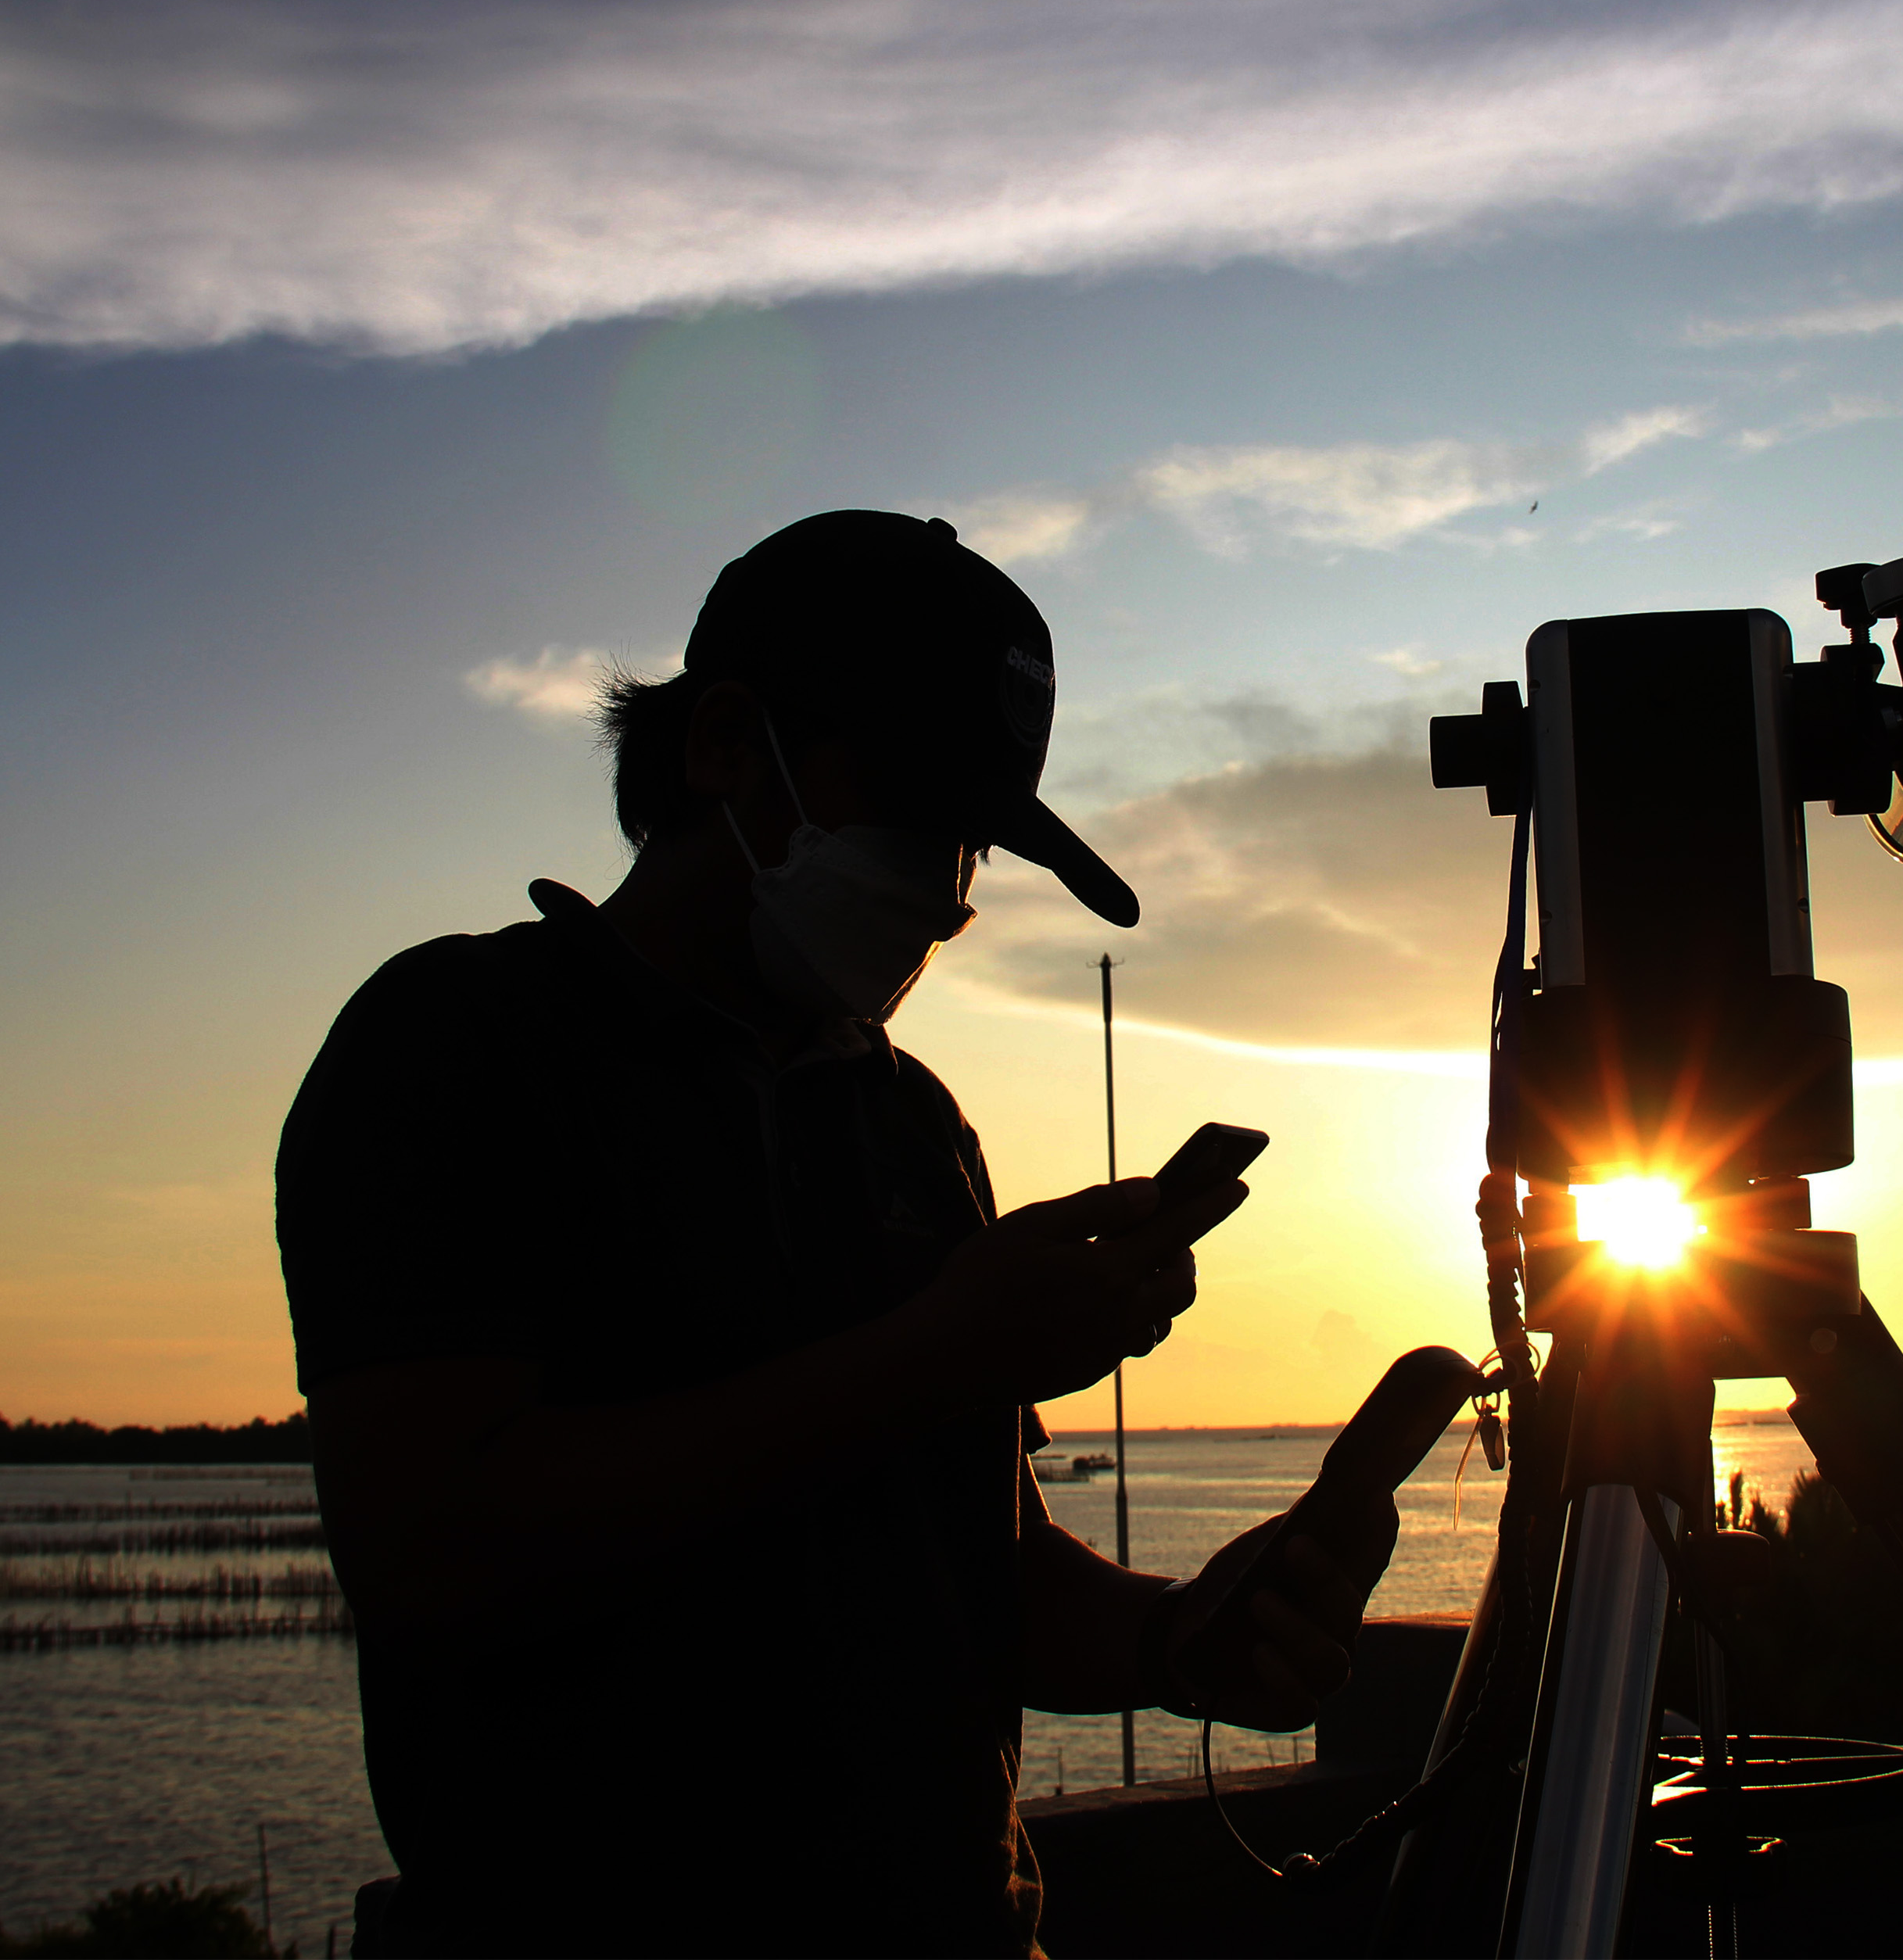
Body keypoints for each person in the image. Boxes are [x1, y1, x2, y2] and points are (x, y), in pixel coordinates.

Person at [278, 512, 1393, 1957]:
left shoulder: (911, 1123)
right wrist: (936, 1349)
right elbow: (432, 1549)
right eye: (915, 810)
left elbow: (972, 1556)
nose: (944, 888)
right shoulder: (459, 1044)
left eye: (975, 843)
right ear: (726, 748)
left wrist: (1174, 1637)